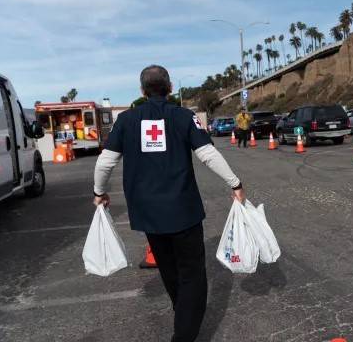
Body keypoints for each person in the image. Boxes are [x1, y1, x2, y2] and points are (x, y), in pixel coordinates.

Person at [93, 65, 245, 342]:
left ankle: (183, 315)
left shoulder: (126, 120)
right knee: (192, 276)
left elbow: (105, 161)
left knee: (170, 271)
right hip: (183, 211)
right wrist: (235, 183)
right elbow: (207, 154)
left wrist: (98, 192)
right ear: (171, 87)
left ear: (142, 90)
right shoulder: (184, 116)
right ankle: (184, 331)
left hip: (148, 214)